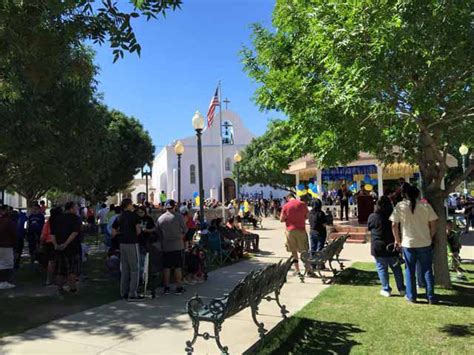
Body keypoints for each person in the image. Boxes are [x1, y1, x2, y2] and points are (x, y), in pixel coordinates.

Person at [390, 184, 438, 304]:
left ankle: (412, 296)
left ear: (405, 194)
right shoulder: (426, 206)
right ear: (418, 195)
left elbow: (394, 225)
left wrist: (397, 240)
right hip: (424, 242)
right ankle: (431, 296)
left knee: (410, 271)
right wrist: (430, 236)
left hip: (408, 243)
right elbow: (434, 223)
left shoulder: (400, 206)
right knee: (427, 270)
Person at [368, 196, 405, 297]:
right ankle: (402, 288)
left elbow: (369, 228)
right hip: (391, 245)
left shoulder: (373, 216)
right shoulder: (393, 216)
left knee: (382, 268)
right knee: (396, 268)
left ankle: (386, 289)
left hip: (378, 246)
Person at [112, 199, 143, 301]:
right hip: (132, 242)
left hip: (122, 243)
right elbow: (138, 230)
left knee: (125, 268)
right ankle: (132, 292)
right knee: (134, 268)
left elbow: (113, 232)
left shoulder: (119, 217)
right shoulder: (134, 216)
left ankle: (123, 292)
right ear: (129, 205)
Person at [50, 202, 82, 295]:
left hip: (59, 247)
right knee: (72, 270)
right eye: (76, 207)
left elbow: (52, 233)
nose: (77, 209)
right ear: (71, 208)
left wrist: (55, 244)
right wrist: (66, 243)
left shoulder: (58, 219)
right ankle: (73, 289)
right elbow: (75, 233)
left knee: (60, 270)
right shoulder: (76, 219)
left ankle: (60, 289)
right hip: (72, 247)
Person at [157, 199, 187, 295]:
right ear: (174, 206)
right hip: (177, 245)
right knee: (178, 267)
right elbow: (185, 229)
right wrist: (181, 236)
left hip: (166, 245)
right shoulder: (179, 217)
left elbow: (158, 232)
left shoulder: (160, 218)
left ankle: (166, 287)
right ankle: (179, 287)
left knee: (167, 267)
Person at [280, 193, 313, 276]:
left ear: (288, 198)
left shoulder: (286, 206)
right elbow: (307, 216)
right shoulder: (302, 204)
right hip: (301, 230)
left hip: (290, 231)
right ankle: (308, 269)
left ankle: (297, 270)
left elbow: (281, 219)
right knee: (304, 251)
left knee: (293, 252)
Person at [40, 206, 63, 286]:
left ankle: (48, 280)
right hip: (60, 242)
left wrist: (41, 243)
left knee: (51, 262)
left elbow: (43, 235)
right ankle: (60, 279)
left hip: (49, 243)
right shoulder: (61, 222)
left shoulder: (48, 223)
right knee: (60, 262)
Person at [0, 205, 17, 289]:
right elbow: (13, 233)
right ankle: (4, 282)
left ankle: (4, 281)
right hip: (6, 245)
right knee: (6, 264)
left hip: (4, 244)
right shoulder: (8, 221)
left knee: (3, 263)